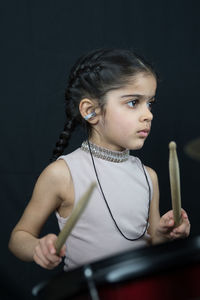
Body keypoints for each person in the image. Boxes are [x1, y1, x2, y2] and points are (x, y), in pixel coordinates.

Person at [9, 48, 190, 271]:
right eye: (134, 102)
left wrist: (163, 234)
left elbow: (152, 245)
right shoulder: (62, 174)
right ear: (91, 111)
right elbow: (19, 237)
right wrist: (38, 247)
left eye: (150, 103)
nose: (148, 114)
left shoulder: (148, 176)